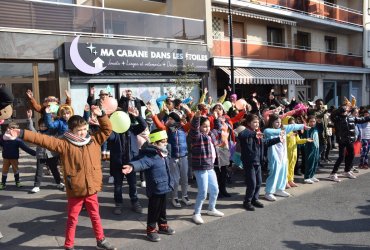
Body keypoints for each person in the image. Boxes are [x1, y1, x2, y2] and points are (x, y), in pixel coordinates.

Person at [10, 106, 116, 250]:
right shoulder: (64, 144)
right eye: (80, 130)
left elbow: (107, 130)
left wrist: (102, 115)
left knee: (95, 216)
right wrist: (22, 133)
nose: (83, 132)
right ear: (71, 130)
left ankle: (101, 240)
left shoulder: (93, 140)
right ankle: (69, 245)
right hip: (76, 189)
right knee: (72, 219)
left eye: (85, 129)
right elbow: (43, 139)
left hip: (92, 188)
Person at [122, 129, 175, 242]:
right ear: (155, 143)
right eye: (163, 141)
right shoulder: (150, 155)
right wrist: (132, 166)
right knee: (154, 209)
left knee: (162, 208)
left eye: (166, 140)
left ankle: (162, 225)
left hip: (165, 186)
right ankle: (151, 229)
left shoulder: (164, 152)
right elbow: (141, 163)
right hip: (156, 188)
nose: (166, 143)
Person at [150, 104, 193, 208]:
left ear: (175, 120)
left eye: (171, 119)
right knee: (175, 179)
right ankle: (174, 197)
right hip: (173, 157)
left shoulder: (183, 128)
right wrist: (153, 114)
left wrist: (188, 110)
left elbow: (192, 121)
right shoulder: (167, 130)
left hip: (183, 156)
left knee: (184, 178)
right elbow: (160, 125)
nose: (168, 120)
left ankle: (185, 195)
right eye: (168, 118)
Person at [107, 106, 146, 215]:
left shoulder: (132, 129)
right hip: (117, 163)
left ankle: (135, 202)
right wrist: (106, 122)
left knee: (132, 184)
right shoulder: (113, 131)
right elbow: (109, 137)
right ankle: (118, 204)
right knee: (118, 185)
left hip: (131, 162)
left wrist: (137, 116)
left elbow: (143, 125)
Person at [238, 114, 282, 211]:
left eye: (257, 122)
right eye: (254, 122)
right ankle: (247, 202)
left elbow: (265, 143)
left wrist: (278, 139)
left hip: (258, 161)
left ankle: (254, 199)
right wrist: (254, 134)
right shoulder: (246, 131)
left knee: (258, 182)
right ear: (249, 123)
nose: (257, 124)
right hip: (249, 162)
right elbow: (241, 135)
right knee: (252, 183)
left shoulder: (257, 132)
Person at [263, 114, 309, 201]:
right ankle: (268, 192)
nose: (278, 124)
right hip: (274, 156)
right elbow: (270, 132)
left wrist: (303, 126)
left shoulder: (283, 129)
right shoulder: (268, 131)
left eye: (280, 122)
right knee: (274, 173)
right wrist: (283, 130)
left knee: (283, 172)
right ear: (272, 122)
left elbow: (293, 126)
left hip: (283, 155)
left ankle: (279, 189)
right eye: (276, 122)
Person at [190, 111, 224, 224]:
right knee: (203, 192)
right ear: (200, 127)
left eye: (208, 126)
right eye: (204, 126)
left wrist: (217, 118)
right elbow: (194, 129)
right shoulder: (197, 136)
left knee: (215, 189)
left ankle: (211, 208)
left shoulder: (211, 135)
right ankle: (196, 213)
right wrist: (196, 118)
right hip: (200, 168)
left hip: (210, 167)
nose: (207, 128)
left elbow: (219, 130)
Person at [26, 109, 64, 193]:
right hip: (41, 155)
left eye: (44, 125)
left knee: (54, 170)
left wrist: (51, 116)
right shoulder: (38, 133)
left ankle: (59, 182)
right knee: (39, 171)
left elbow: (58, 127)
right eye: (41, 126)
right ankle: (36, 186)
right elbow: (31, 128)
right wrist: (29, 119)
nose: (43, 127)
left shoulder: (52, 132)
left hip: (52, 155)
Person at [329, 105, 370, 182]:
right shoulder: (337, 118)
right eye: (345, 109)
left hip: (350, 140)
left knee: (351, 155)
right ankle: (333, 174)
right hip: (341, 141)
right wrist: (342, 108)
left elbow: (363, 119)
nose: (347, 109)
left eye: (347, 109)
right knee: (341, 157)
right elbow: (332, 115)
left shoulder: (351, 118)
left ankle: (347, 171)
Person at [0, 122, 36, 190]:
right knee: (4, 171)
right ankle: (3, 183)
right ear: (8, 128)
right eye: (11, 128)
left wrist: (35, 153)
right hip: (6, 158)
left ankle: (17, 182)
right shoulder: (3, 138)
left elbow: (25, 148)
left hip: (14, 158)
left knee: (16, 170)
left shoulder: (17, 140)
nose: (12, 130)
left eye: (14, 129)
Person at [283, 116, 312, 187]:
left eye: (294, 124)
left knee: (292, 166)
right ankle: (285, 181)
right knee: (286, 167)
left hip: (294, 152)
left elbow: (298, 141)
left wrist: (306, 140)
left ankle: (291, 180)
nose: (293, 125)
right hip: (286, 153)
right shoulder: (284, 132)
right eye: (291, 124)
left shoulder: (295, 132)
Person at [303, 115, 320, 184]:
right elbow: (306, 139)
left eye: (314, 121)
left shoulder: (315, 128)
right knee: (310, 162)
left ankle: (312, 175)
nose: (312, 123)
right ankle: (307, 177)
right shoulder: (307, 129)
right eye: (311, 122)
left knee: (315, 161)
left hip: (316, 147)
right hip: (310, 147)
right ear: (308, 122)